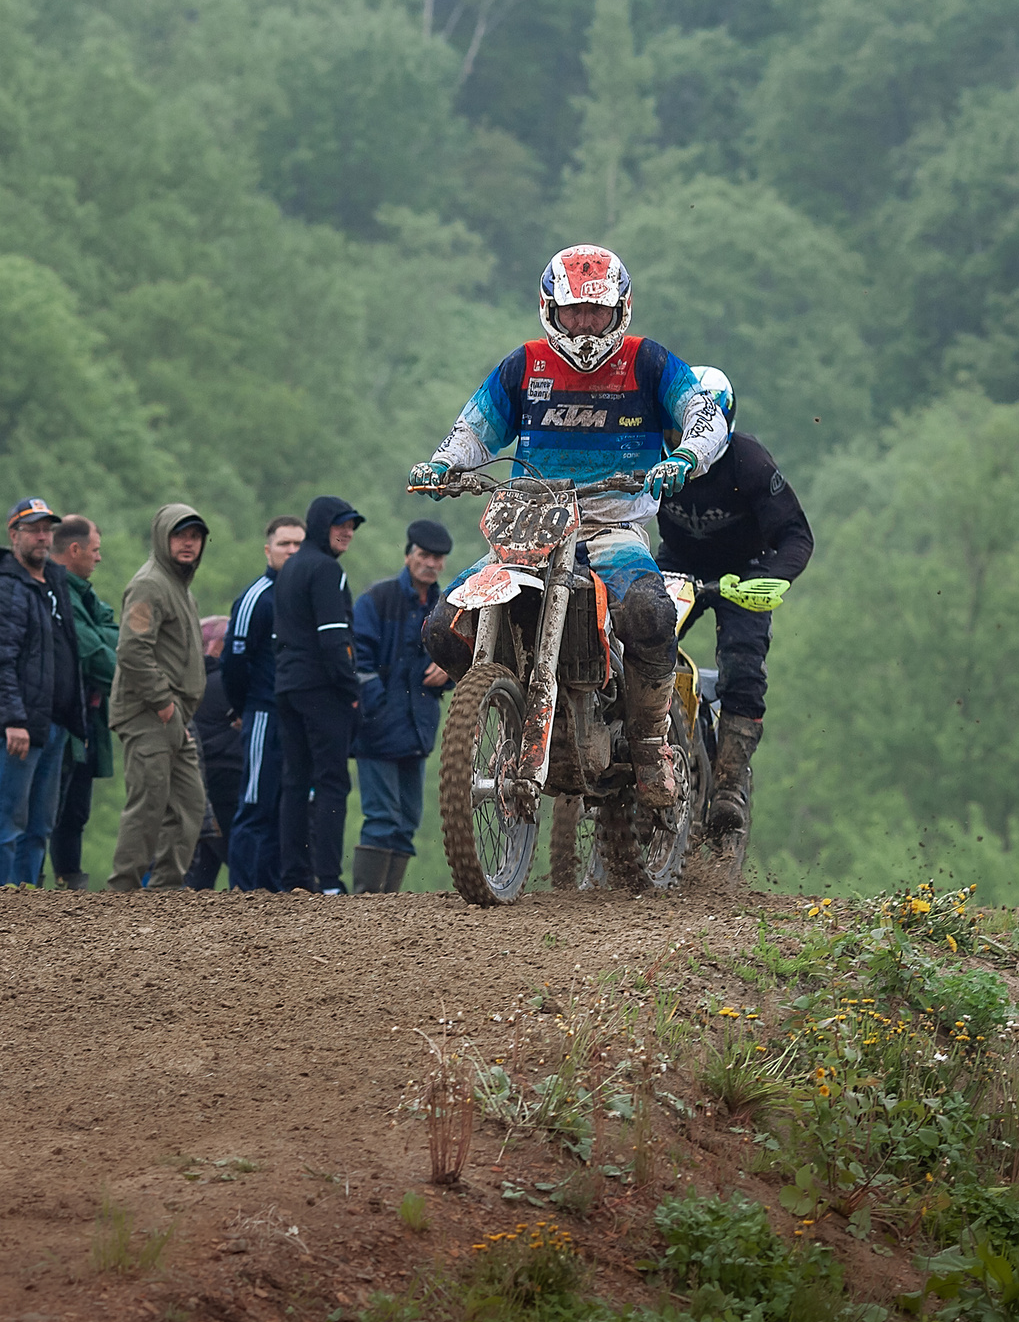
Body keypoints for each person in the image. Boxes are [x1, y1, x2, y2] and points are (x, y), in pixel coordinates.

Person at [409, 245, 726, 805]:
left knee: (651, 612)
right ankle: (507, 704)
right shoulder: (525, 363)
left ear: (620, 309)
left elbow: (704, 415)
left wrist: (684, 459)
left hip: (610, 523)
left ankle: (651, 744)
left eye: (594, 311)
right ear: (549, 309)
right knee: (441, 627)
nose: (582, 324)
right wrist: (443, 464)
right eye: (572, 311)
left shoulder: (648, 361)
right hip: (530, 519)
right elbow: (475, 427)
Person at [654, 367, 812, 834]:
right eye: (676, 427)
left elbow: (796, 535)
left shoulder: (750, 463)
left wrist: (776, 580)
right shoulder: (654, 459)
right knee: (635, 643)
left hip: (743, 572)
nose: (685, 438)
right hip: (677, 563)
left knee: (744, 667)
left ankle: (728, 784)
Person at [0, 497, 85, 888]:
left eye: (47, 529)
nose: (42, 536)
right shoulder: (2, 590)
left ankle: (26, 907)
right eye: (33, 529)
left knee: (38, 826)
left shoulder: (52, 583)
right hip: (20, 726)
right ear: (13, 535)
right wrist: (12, 719)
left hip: (53, 723)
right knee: (5, 821)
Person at [108, 503, 210, 891]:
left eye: (195, 536)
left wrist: (175, 714)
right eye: (180, 535)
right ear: (162, 538)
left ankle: (166, 891)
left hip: (173, 717)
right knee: (148, 804)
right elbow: (132, 651)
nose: (189, 544)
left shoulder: (179, 587)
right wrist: (165, 705)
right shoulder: (150, 584)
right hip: (148, 712)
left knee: (189, 802)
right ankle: (123, 891)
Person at [349, 519, 455, 892]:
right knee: (381, 817)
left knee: (407, 819)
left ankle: (386, 906)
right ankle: (366, 902)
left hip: (417, 728)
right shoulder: (377, 599)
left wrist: (449, 670)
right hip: (378, 728)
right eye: (424, 555)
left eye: (438, 558)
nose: (431, 563)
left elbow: (460, 657)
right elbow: (357, 657)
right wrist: (375, 709)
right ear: (408, 555)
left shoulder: (445, 608)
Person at [272, 495, 365, 895]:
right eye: (340, 524)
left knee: (295, 781)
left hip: (287, 686)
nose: (347, 532)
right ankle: (328, 880)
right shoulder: (327, 570)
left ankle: (294, 876)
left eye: (352, 526)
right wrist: (351, 688)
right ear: (321, 525)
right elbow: (332, 639)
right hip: (322, 689)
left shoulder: (290, 567)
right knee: (331, 781)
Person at [220, 516, 304, 892]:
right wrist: (244, 708)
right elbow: (233, 661)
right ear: (267, 550)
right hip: (263, 714)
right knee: (255, 804)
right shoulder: (256, 597)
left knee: (285, 809)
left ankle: (270, 893)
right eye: (284, 544)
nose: (291, 551)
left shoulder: (305, 595)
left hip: (295, 720)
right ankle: (242, 892)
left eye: (298, 545)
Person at [47, 516, 118, 891]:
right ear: (74, 550)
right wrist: (132, 679)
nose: (99, 558)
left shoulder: (82, 594)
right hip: (64, 714)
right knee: (53, 809)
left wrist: (102, 638)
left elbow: (110, 630)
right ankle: (39, 887)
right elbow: (91, 652)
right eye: (95, 550)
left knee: (75, 810)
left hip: (87, 714)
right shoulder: (60, 593)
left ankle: (68, 886)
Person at [187, 616, 244, 889]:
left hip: (203, 779)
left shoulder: (195, 684)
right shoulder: (226, 683)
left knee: (203, 869)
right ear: (218, 646)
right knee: (244, 864)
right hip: (229, 777)